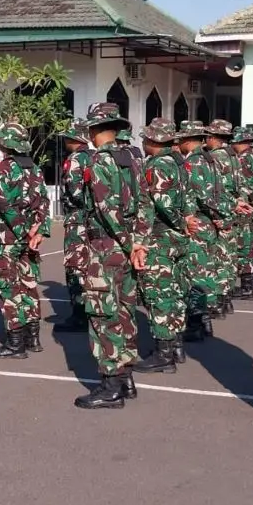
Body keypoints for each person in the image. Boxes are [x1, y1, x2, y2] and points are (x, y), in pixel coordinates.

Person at [73, 102, 146, 410]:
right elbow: (144, 202)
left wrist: (129, 243)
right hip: (128, 249)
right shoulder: (133, 157)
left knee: (104, 316)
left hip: (106, 248)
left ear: (94, 130)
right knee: (126, 312)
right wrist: (138, 243)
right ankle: (126, 377)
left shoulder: (101, 160)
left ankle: (111, 384)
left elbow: (107, 210)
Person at [134, 117, 195, 373]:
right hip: (177, 239)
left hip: (161, 238)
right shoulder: (179, 162)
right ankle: (176, 345)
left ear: (155, 140)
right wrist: (188, 219)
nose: (143, 141)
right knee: (175, 293)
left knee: (159, 294)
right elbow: (189, 196)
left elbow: (163, 203)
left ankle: (164, 354)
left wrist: (181, 222)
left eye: (146, 137)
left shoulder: (158, 164)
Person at [0, 121, 51, 360]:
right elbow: (44, 202)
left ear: (6, 143)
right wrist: (38, 231)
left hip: (9, 238)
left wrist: (23, 231)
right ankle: (33, 337)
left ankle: (16, 343)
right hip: (30, 237)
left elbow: (4, 203)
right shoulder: (33, 167)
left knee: (9, 287)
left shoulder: (4, 168)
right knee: (29, 284)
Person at [177, 120, 229, 337]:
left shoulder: (195, 162)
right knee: (205, 272)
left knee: (195, 275)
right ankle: (204, 320)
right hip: (207, 223)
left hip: (198, 223)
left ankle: (197, 323)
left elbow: (202, 195)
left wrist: (217, 216)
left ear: (188, 139)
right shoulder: (209, 158)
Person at [206, 119, 250, 307]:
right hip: (235, 206)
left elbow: (217, 188)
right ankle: (227, 295)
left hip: (224, 208)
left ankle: (218, 299)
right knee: (230, 254)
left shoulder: (215, 156)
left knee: (219, 256)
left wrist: (219, 211)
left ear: (213, 136)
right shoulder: (232, 154)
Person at [55, 125, 93, 333]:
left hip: (78, 219)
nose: (65, 142)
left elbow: (75, 191)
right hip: (93, 220)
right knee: (90, 266)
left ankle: (79, 313)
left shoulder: (76, 159)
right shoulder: (95, 156)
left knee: (75, 266)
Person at [232, 126, 253, 299]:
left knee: (244, 247)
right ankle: (250, 285)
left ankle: (247, 287)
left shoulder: (244, 158)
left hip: (246, 207)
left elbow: (244, 186)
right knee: (249, 246)